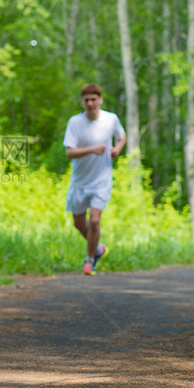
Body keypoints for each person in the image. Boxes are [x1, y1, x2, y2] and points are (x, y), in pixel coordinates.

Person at [63, 84, 126, 275]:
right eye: (86, 100)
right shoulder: (75, 122)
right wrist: (92, 149)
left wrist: (116, 149)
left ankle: (89, 260)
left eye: (93, 99)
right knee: (79, 223)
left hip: (102, 180)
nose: (90, 103)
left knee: (95, 220)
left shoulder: (111, 119)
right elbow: (69, 153)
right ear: (82, 101)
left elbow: (122, 137)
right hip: (80, 181)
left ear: (100, 100)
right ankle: (98, 248)